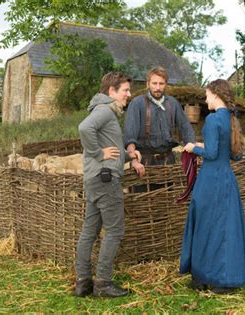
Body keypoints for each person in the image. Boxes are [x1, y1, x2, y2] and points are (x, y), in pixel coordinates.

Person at [180, 79, 245, 294]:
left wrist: (193, 147)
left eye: (207, 95)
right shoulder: (231, 120)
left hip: (211, 181)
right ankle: (222, 277)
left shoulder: (212, 120)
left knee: (205, 225)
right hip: (227, 180)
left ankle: (206, 277)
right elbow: (235, 155)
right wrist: (205, 146)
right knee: (224, 229)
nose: (205, 99)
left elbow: (211, 154)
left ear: (215, 94)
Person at [75, 72, 142, 298]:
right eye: (125, 90)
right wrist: (97, 152)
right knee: (114, 230)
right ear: (111, 92)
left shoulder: (104, 112)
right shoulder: (104, 111)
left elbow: (111, 151)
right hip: (106, 180)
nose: (129, 95)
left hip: (95, 179)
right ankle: (103, 284)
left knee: (89, 231)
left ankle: (83, 282)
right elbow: (84, 129)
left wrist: (130, 157)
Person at [124, 67, 195, 178]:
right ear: (147, 84)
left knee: (169, 195)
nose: (157, 87)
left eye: (161, 84)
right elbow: (130, 136)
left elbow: (186, 128)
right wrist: (134, 161)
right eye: (154, 83)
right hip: (144, 162)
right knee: (143, 195)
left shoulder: (173, 103)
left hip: (168, 162)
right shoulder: (137, 103)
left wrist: (192, 149)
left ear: (166, 84)